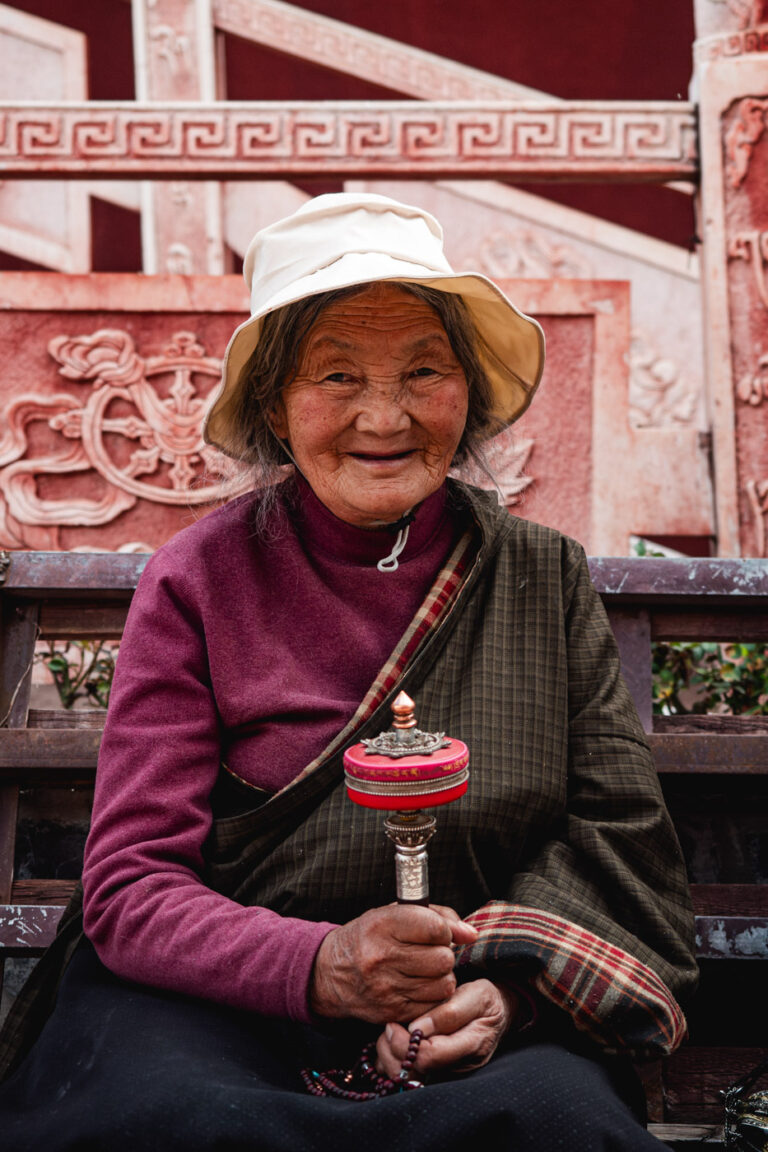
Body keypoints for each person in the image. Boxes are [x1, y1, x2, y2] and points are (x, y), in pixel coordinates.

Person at [0, 193, 697, 1150]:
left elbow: (618, 842)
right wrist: (322, 965)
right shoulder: (199, 580)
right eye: (338, 375)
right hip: (227, 1005)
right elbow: (132, 884)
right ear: (276, 409)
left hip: (465, 1008)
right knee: (182, 1123)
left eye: (424, 370)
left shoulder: (540, 577)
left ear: (468, 392)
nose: (385, 415)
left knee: (556, 1124)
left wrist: (504, 996)